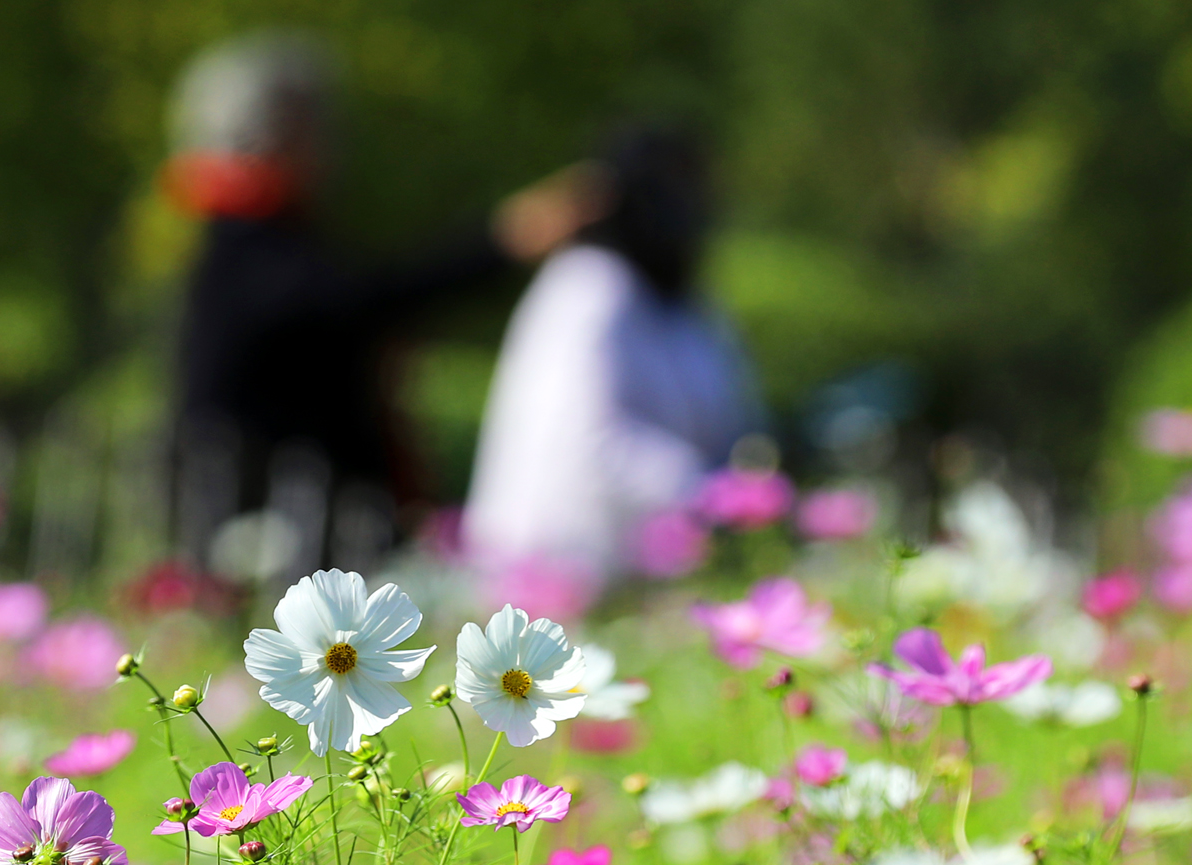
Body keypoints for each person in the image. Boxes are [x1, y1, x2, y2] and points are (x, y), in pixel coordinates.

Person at [165, 32, 591, 572]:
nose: (331, 146)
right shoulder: (248, 249)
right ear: (277, 135)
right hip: (278, 546)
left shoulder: (258, 241)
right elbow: (369, 297)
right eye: (315, 125)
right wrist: (504, 239)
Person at [463, 119, 755, 597]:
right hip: (555, 579)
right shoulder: (588, 288)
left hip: (653, 583)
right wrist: (712, 494)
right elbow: (592, 440)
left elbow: (735, 426)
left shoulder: (691, 307)